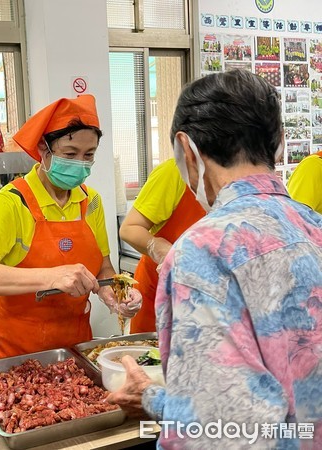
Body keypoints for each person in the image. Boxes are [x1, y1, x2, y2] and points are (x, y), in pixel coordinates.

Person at [107, 69, 322, 447]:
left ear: (186, 150)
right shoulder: (312, 225)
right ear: (280, 145)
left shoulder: (204, 249)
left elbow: (222, 424)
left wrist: (152, 398)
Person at [0, 95, 142, 360]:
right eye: (70, 154)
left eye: (88, 155)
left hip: (73, 342)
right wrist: (51, 276)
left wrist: (117, 296)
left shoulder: (90, 201)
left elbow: (103, 268)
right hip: (15, 346)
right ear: (44, 150)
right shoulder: (13, 201)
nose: (80, 163)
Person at [119, 159, 205, 333]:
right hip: (161, 295)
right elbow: (129, 229)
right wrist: (161, 250)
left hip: (208, 303)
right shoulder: (176, 171)